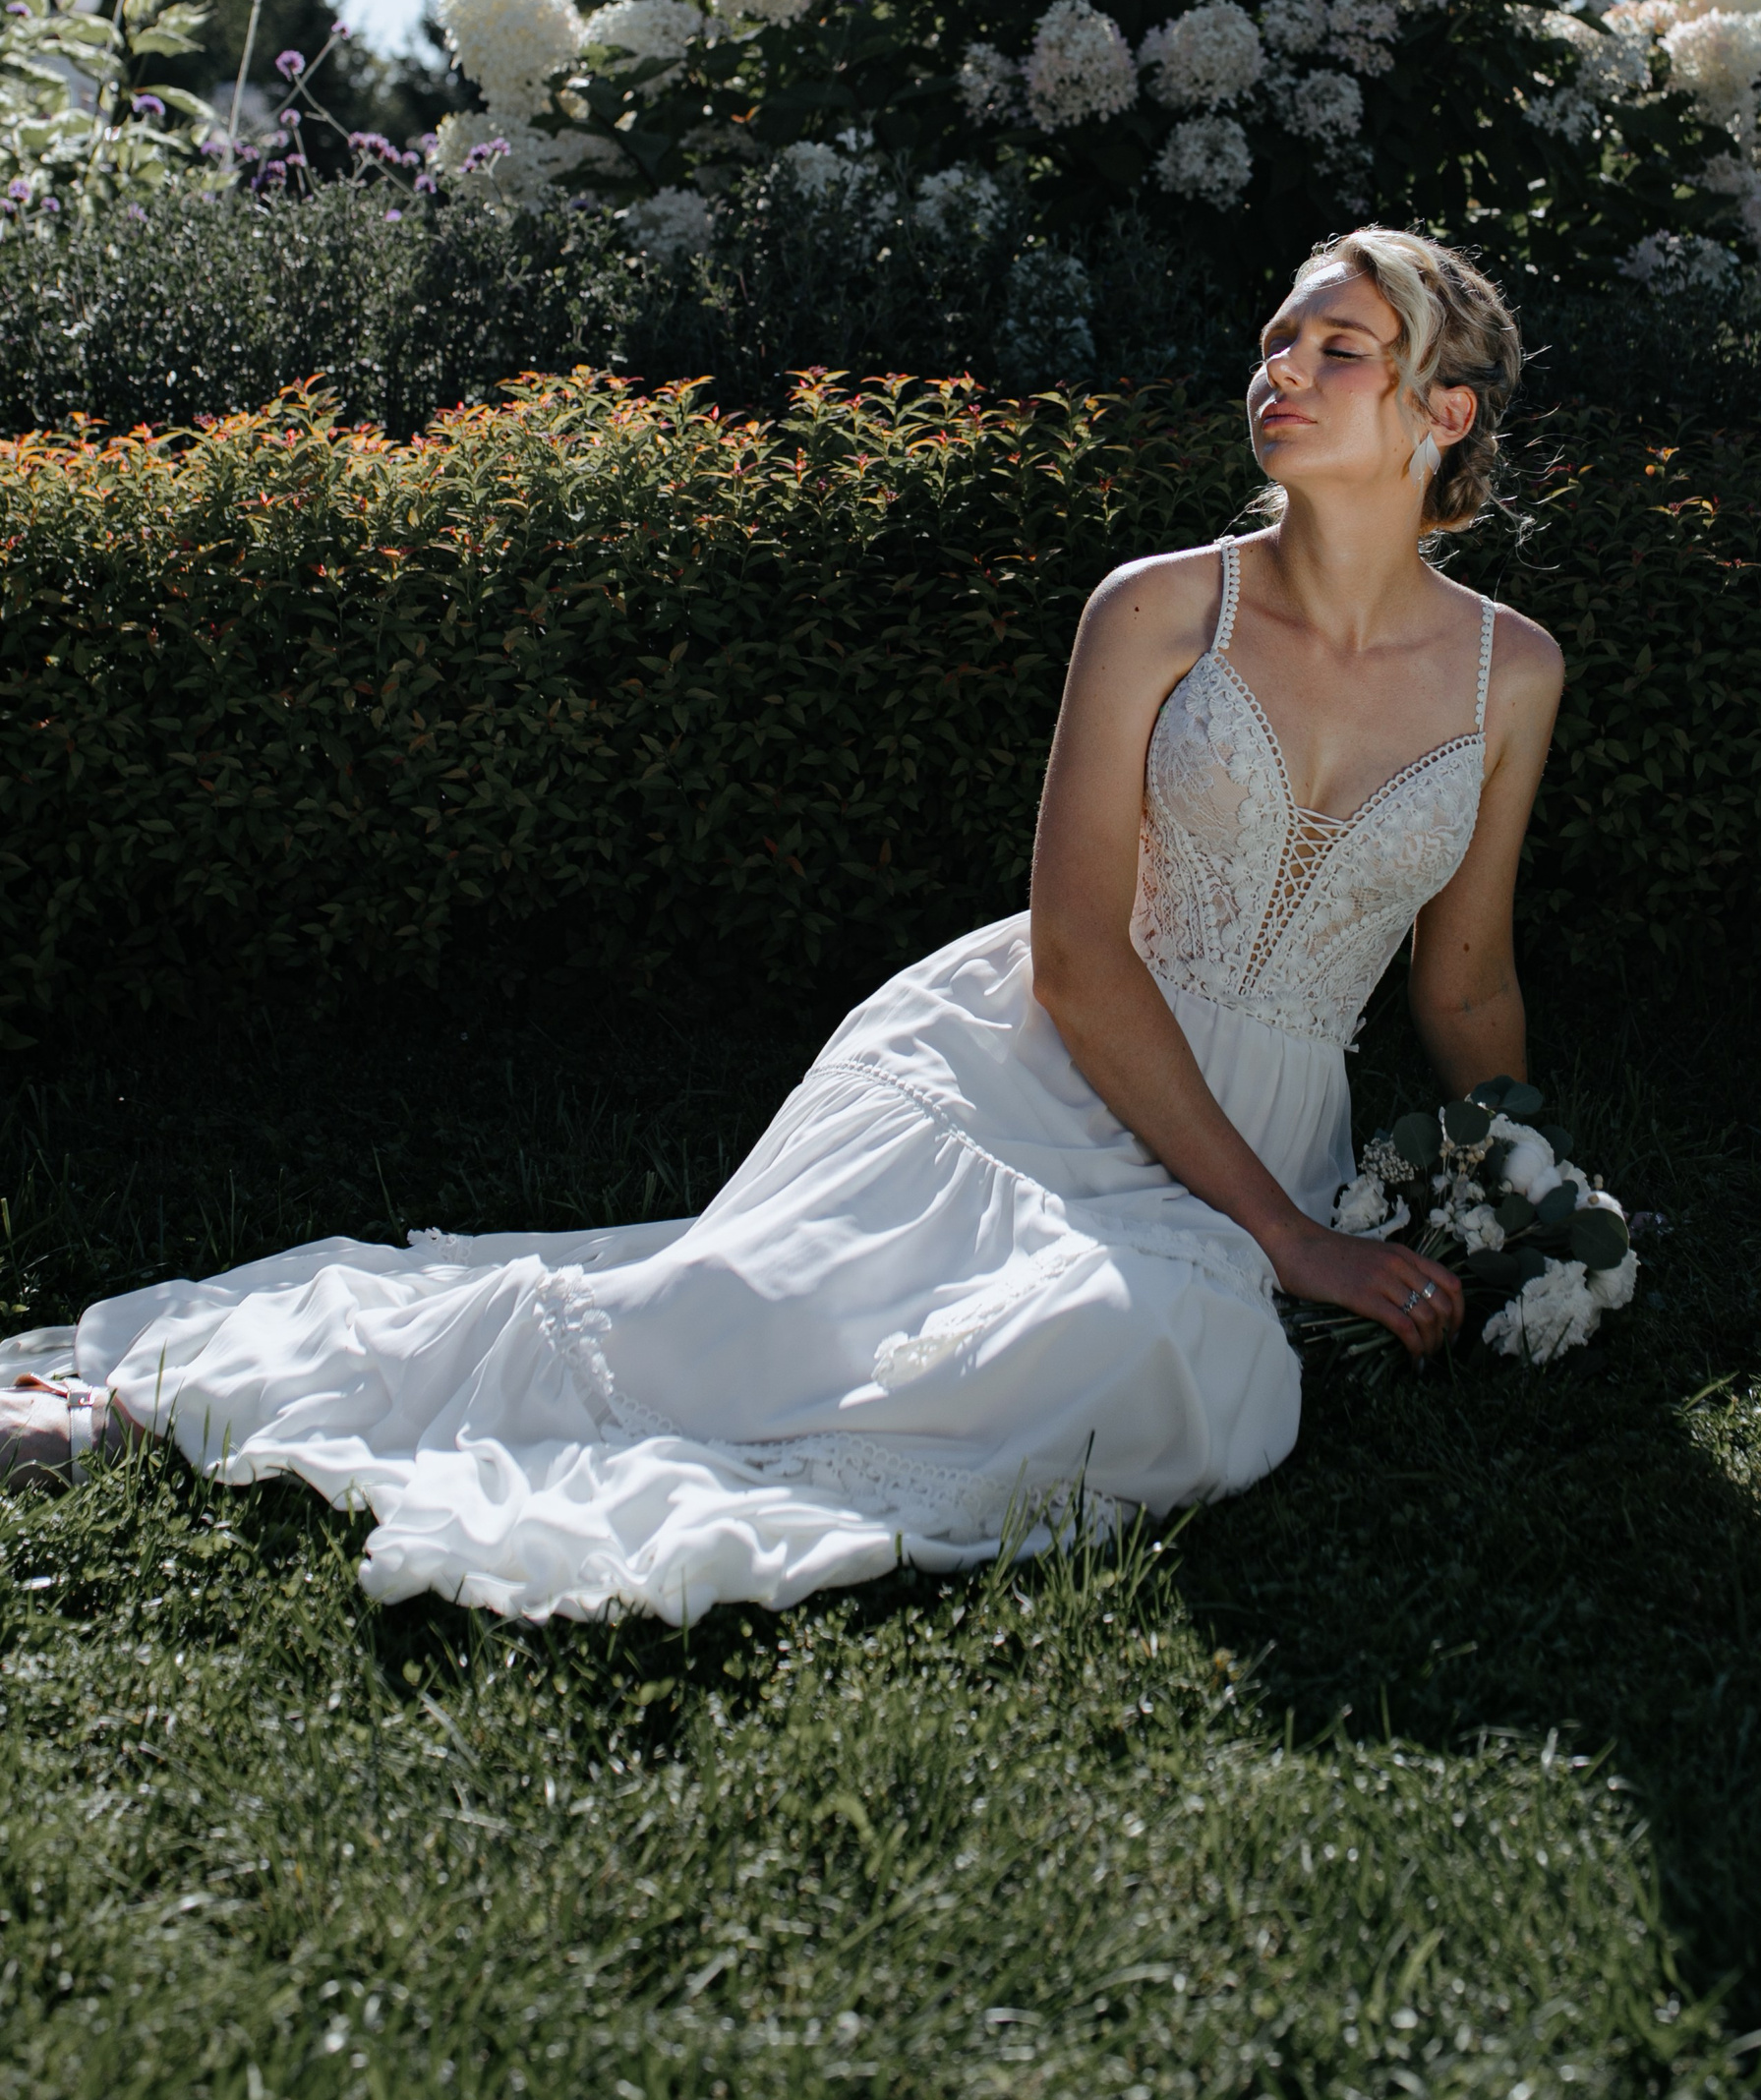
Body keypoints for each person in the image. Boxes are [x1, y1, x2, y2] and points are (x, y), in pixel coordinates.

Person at [2, 229, 1563, 1624]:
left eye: (1338, 348)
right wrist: (1289, 1237)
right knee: (715, 1330)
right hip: (1030, 1074)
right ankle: (149, 1395)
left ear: (1443, 413)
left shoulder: (1511, 673)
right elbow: (1077, 954)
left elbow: (1466, 980)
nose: (1282, 368)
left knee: (1158, 1355)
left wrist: (1535, 1197)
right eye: (1277, 340)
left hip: (1269, 1119)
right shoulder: (1159, 608)